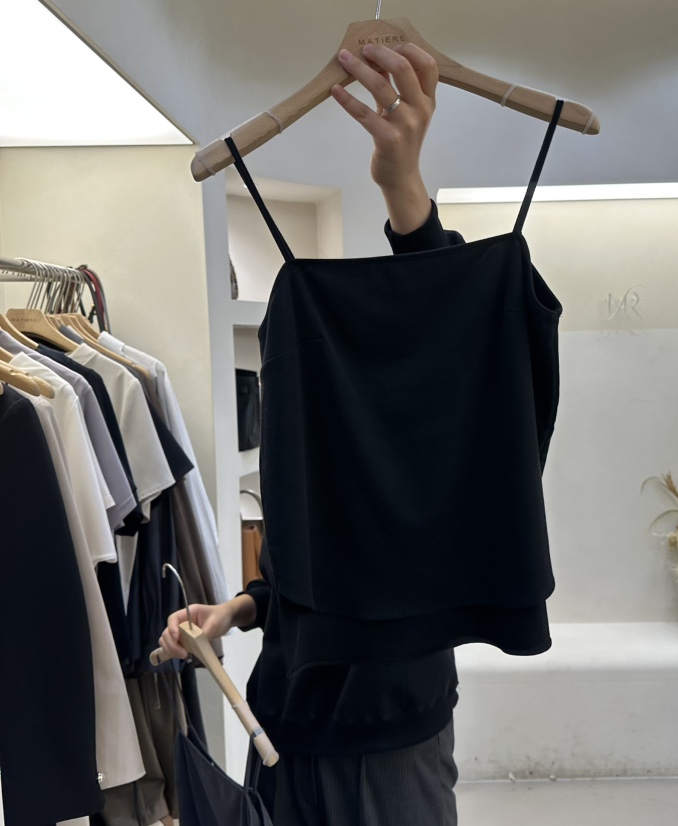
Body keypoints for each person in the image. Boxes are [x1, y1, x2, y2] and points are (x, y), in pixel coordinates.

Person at [160, 42, 465, 825]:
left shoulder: (427, 439)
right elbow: (306, 572)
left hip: (392, 735)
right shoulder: (310, 445)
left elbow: (450, 323)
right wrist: (237, 608)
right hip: (284, 725)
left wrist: (404, 187)